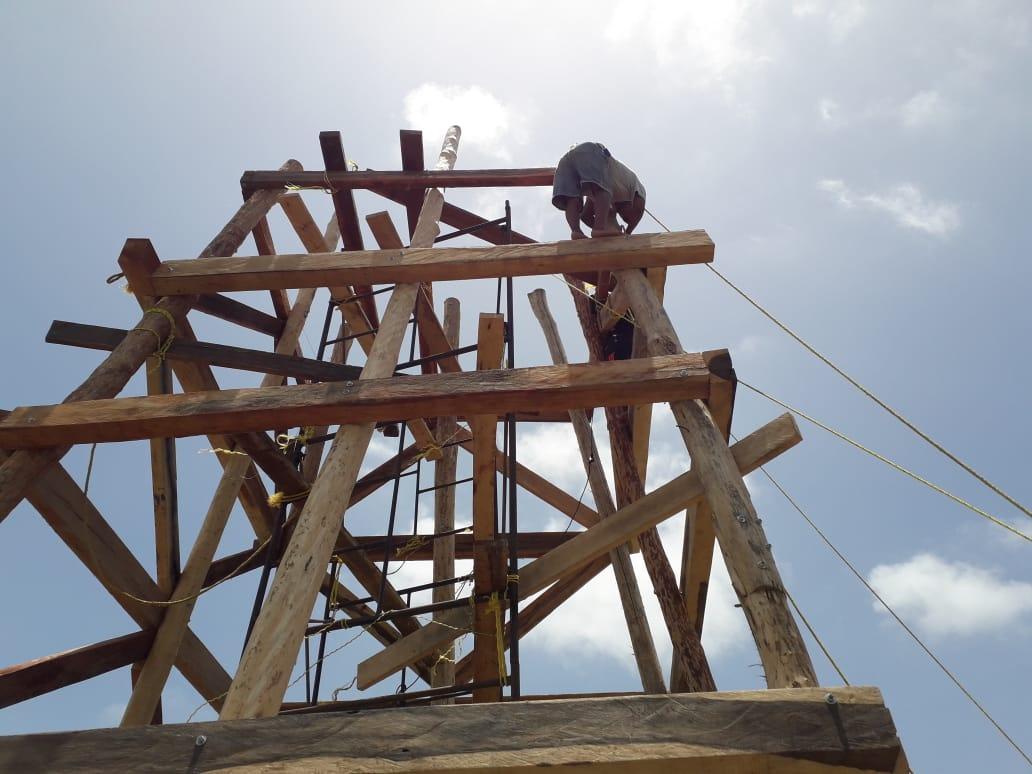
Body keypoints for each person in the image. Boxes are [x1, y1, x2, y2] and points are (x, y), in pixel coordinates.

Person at [551, 142, 646, 239]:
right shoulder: (637, 192)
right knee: (604, 191)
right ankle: (600, 228)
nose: (621, 215)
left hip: (568, 158)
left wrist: (610, 228)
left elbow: (585, 216)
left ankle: (576, 231)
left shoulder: (599, 188)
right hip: (591, 151)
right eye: (625, 218)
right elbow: (638, 214)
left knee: (572, 198)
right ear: (634, 207)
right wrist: (627, 231)